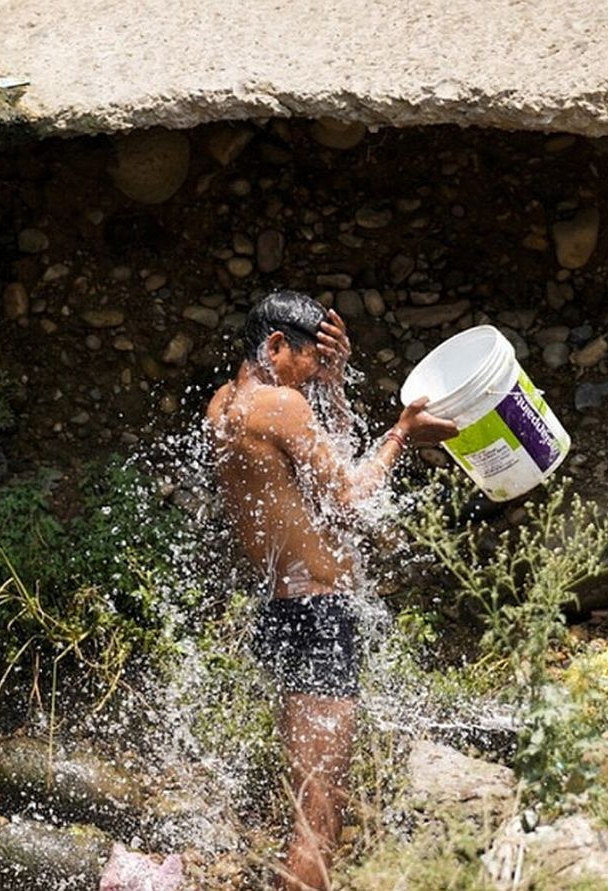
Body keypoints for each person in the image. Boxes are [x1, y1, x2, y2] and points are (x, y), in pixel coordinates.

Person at [205, 290, 459, 890]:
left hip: (282, 609)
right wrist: (400, 436)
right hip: (319, 616)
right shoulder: (282, 404)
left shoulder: (224, 404)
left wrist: (338, 384)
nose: (315, 374)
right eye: (311, 361)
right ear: (274, 347)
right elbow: (349, 501)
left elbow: (318, 473)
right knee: (318, 818)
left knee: (308, 802)